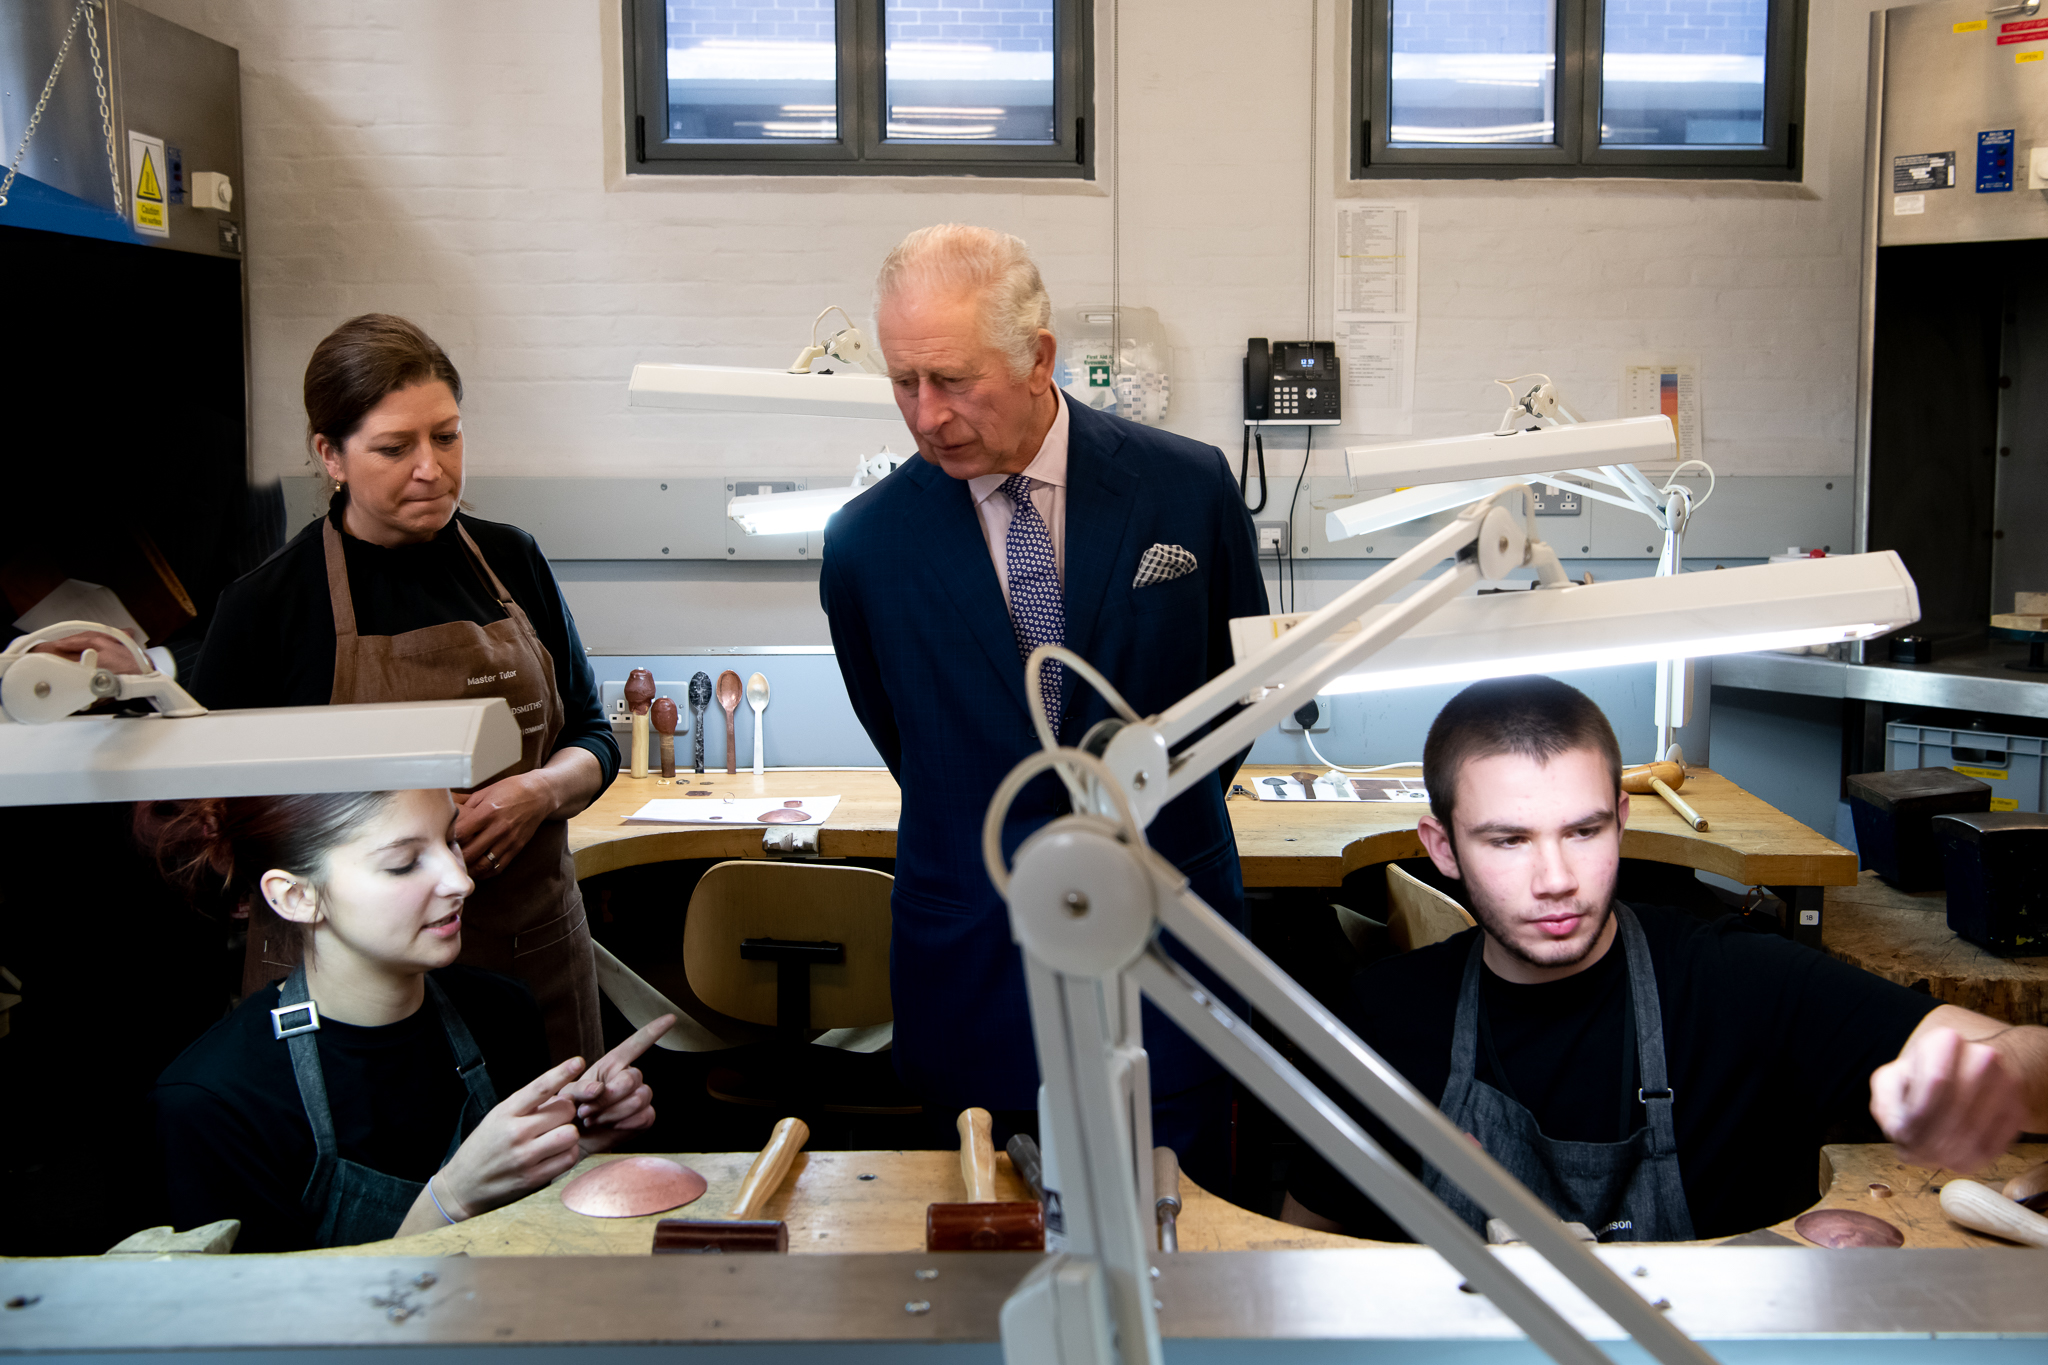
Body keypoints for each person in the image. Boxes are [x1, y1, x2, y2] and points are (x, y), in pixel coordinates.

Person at [1283, 676, 2048, 1243]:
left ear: (1622, 820)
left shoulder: (1732, 983)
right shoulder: (1385, 1018)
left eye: (1583, 831)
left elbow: (2027, 1057)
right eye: (1509, 840)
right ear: (1442, 847)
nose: (1556, 879)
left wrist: (2002, 1072)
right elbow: (1305, 1246)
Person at [819, 224, 1268, 1173]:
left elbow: (1237, 700)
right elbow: (905, 736)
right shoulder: (869, 545)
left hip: (1167, 941)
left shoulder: (1185, 490)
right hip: (977, 963)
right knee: (986, 1263)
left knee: (1184, 1256)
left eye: (953, 379)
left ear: (1038, 357)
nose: (928, 415)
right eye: (905, 383)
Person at [191, 315, 619, 1064]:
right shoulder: (269, 606)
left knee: (549, 1166)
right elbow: (213, 813)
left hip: (526, 948)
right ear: (331, 454)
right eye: (395, 447)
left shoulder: (512, 560)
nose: (432, 467)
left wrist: (540, 792)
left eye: (447, 436)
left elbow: (593, 732)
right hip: (350, 987)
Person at [150, 789, 672, 1252]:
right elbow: (269, 1345)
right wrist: (448, 1203)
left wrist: (565, 1150)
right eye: (403, 863)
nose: (460, 880)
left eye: (451, 840)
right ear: (296, 897)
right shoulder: (212, 1103)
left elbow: (532, 1246)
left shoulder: (501, 1011)